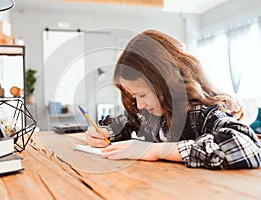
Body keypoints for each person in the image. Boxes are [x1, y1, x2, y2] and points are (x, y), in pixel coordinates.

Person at [85, 30, 261, 169]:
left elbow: (247, 148)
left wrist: (155, 150)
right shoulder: (151, 114)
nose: (139, 105)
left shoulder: (200, 112)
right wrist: (104, 132)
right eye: (134, 97)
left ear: (166, 83)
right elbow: (127, 121)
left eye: (143, 95)